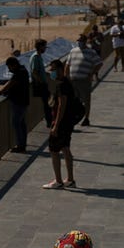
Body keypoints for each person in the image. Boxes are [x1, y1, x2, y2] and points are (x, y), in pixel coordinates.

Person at [42, 59, 82, 190]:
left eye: (53, 70)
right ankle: (70, 179)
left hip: (62, 123)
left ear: (59, 69)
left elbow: (61, 106)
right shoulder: (67, 82)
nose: (52, 72)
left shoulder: (61, 85)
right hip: (68, 122)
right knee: (65, 148)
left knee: (53, 150)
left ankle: (58, 181)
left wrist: (55, 126)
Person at [63, 33, 101, 126]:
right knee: (74, 101)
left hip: (84, 80)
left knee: (86, 100)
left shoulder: (91, 52)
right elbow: (67, 65)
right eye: (78, 41)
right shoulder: (73, 51)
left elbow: (99, 63)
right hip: (73, 80)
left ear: (85, 41)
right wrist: (65, 77)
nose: (79, 43)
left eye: (81, 41)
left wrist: (91, 74)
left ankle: (86, 118)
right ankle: (75, 117)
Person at [0, 55, 30, 153]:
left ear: (13, 65)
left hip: (19, 102)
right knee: (21, 124)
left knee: (17, 123)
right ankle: (22, 144)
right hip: (23, 101)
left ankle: (20, 146)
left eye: (9, 67)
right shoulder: (23, 70)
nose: (9, 69)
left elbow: (10, 83)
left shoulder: (20, 72)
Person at [27, 39, 53, 125]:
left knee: (48, 102)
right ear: (40, 47)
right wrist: (41, 82)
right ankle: (49, 122)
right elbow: (34, 72)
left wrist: (46, 73)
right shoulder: (35, 57)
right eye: (44, 47)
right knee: (47, 104)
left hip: (42, 84)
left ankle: (50, 120)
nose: (45, 49)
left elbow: (39, 70)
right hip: (40, 85)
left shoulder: (39, 56)